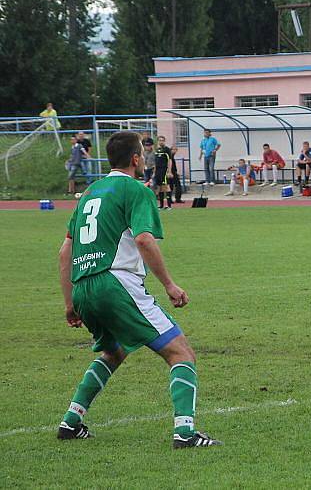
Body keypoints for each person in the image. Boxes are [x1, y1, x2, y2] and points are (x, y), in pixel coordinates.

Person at [57, 130, 221, 448]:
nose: (144, 159)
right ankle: (185, 433)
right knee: (181, 353)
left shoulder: (90, 193)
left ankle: (71, 421)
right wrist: (170, 285)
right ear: (135, 159)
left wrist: (69, 303)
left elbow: (65, 252)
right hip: (115, 283)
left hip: (82, 286)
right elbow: (144, 239)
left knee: (113, 351)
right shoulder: (136, 190)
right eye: (142, 154)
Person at [153, 135, 173, 210]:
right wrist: (154, 172)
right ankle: (161, 205)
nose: (161, 142)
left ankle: (169, 205)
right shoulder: (157, 150)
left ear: (164, 141)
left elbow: (170, 160)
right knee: (160, 187)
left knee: (166, 186)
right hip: (158, 171)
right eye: (159, 140)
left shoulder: (167, 150)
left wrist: (169, 171)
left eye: (162, 140)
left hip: (164, 170)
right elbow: (156, 162)